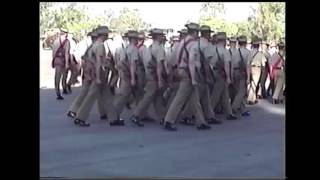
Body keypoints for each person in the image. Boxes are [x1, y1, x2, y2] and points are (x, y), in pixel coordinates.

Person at [163, 23, 211, 131]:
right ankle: (168, 120)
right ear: (195, 32)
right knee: (180, 98)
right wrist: (193, 78)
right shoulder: (193, 44)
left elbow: (175, 58)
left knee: (194, 99)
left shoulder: (182, 42)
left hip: (182, 70)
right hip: (189, 72)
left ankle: (201, 122)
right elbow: (191, 62)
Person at [73, 26, 118, 127]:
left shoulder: (94, 45)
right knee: (91, 96)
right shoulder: (100, 46)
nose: (108, 36)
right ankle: (81, 117)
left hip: (96, 72)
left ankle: (113, 118)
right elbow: (98, 62)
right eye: (106, 34)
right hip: (100, 73)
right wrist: (98, 77)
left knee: (107, 96)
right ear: (104, 35)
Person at [130, 28, 168, 127]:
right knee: (148, 96)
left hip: (150, 74)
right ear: (158, 37)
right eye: (161, 35)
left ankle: (163, 117)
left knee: (157, 97)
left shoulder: (150, 48)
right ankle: (136, 114)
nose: (162, 37)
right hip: (155, 76)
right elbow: (159, 65)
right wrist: (160, 79)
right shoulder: (159, 49)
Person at [113, 30, 140, 126]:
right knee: (124, 95)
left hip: (125, 73)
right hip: (130, 74)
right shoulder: (133, 49)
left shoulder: (127, 48)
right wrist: (133, 78)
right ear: (134, 39)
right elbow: (133, 64)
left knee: (138, 95)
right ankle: (114, 116)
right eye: (137, 38)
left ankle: (141, 114)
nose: (138, 40)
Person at [210, 32, 237, 120]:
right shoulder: (225, 51)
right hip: (221, 74)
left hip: (212, 72)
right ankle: (209, 113)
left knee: (225, 93)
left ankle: (229, 112)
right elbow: (226, 65)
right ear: (224, 41)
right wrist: (229, 77)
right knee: (216, 95)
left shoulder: (212, 50)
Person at [230, 35, 251, 117]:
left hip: (234, 72)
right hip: (242, 72)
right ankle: (234, 107)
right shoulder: (247, 52)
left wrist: (230, 75)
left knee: (237, 91)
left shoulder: (234, 52)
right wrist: (249, 77)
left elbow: (231, 64)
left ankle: (243, 109)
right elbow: (248, 66)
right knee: (242, 91)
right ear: (245, 43)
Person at [247, 36, 267, 105]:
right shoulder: (260, 53)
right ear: (258, 46)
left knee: (251, 83)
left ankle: (254, 98)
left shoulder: (249, 53)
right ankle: (250, 98)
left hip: (250, 68)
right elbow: (264, 64)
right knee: (254, 84)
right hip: (257, 69)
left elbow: (247, 62)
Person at [51, 28, 70, 100]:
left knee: (57, 76)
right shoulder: (66, 41)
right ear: (66, 33)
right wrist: (67, 63)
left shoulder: (56, 41)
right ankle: (64, 87)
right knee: (64, 74)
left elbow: (53, 52)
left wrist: (53, 60)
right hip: (63, 59)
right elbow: (66, 53)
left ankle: (57, 91)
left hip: (56, 59)